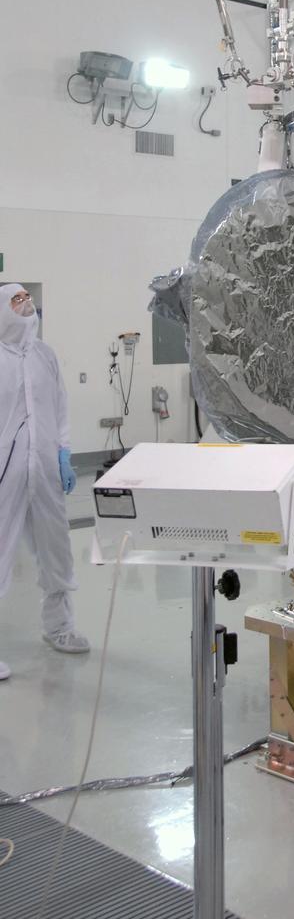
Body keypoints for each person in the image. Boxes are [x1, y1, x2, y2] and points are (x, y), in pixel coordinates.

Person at [0, 283, 89, 680]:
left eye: (27, 297)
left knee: (56, 549)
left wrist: (64, 453)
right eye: (16, 299)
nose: (26, 303)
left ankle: (60, 628)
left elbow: (61, 406)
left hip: (47, 469)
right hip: (6, 472)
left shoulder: (44, 355)